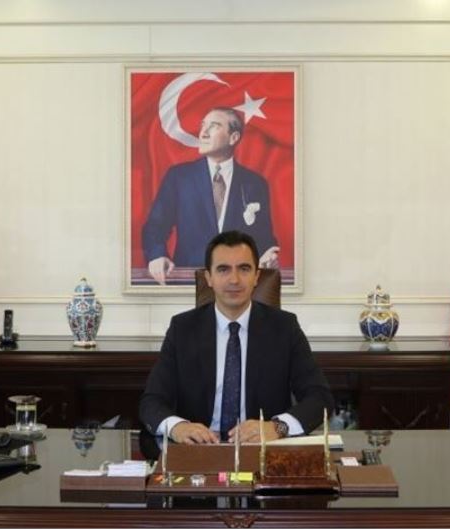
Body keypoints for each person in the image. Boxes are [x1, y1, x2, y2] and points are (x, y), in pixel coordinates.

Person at [139, 230, 332, 444]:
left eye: (244, 269)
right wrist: (177, 427)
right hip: (199, 450)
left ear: (256, 276)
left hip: (262, 449)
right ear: (209, 278)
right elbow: (151, 402)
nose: (234, 279)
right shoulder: (183, 329)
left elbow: (320, 398)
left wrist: (277, 427)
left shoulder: (284, 328)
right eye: (223, 269)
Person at [142, 107, 280, 285]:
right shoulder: (179, 177)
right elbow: (155, 227)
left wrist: (268, 256)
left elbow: (264, 238)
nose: (203, 133)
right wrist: (157, 255)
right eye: (203, 126)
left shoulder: (255, 183)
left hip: (237, 285)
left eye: (214, 126)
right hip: (189, 282)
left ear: (233, 138)